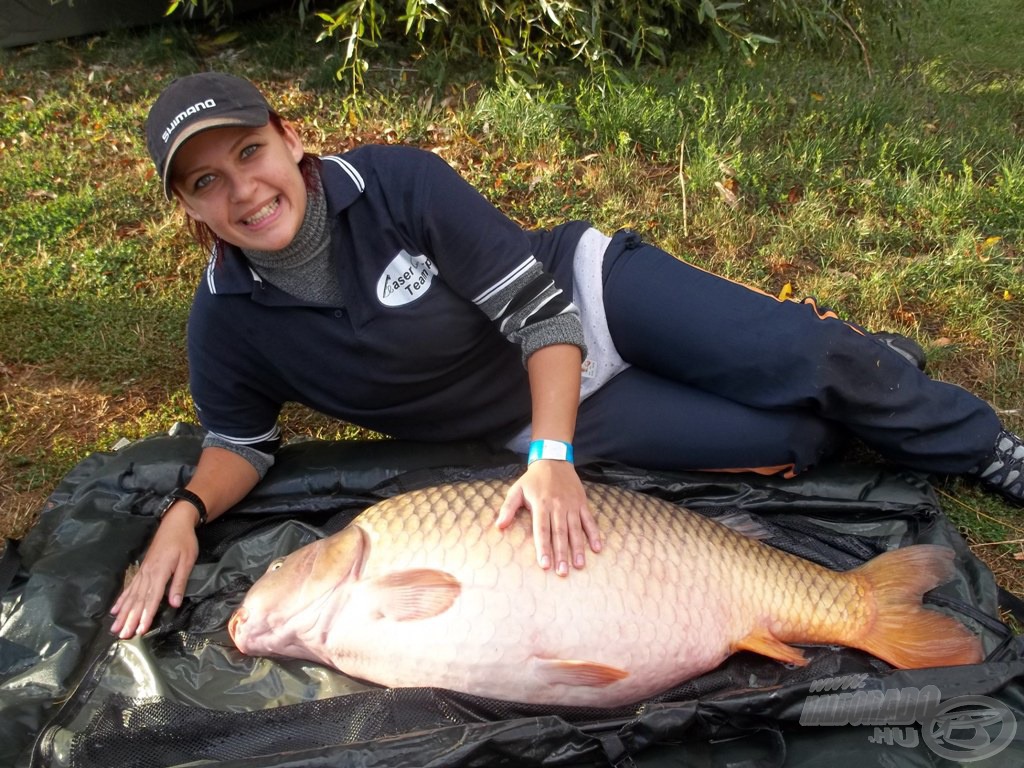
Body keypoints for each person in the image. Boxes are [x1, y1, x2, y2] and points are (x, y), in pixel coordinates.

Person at [110, 71, 1023, 639]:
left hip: (585, 301)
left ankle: (980, 445)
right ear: (189, 209)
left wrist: (553, 462)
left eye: (250, 150)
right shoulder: (227, 318)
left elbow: (542, 315)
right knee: (797, 438)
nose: (244, 188)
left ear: (290, 137)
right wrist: (186, 512)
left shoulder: (396, 185)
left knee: (812, 355)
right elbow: (243, 442)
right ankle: (864, 377)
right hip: (542, 413)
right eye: (207, 181)